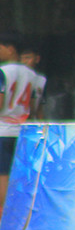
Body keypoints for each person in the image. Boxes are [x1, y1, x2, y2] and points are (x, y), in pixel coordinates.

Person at [0, 32, 38, 219]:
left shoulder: (3, 72)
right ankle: (21, 215)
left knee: (3, 174)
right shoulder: (31, 74)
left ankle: (5, 215)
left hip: (3, 129)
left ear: (10, 49)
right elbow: (34, 104)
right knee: (22, 174)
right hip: (23, 130)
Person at [19, 46, 46, 120]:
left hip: (32, 123)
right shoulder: (16, 78)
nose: (24, 62)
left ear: (37, 59)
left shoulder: (41, 80)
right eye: (21, 58)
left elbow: (40, 107)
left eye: (27, 58)